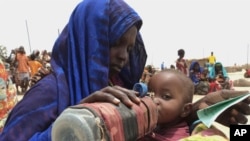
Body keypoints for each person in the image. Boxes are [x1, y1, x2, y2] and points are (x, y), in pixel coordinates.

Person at [1, 0, 250, 141]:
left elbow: (138, 122)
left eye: (129, 48)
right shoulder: (50, 93)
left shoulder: (117, 84)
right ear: (88, 38)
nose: (123, 55)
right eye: (113, 42)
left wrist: (197, 112)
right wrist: (74, 124)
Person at [138, 69, 195, 140]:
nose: (153, 100)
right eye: (150, 94)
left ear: (185, 110)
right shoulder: (154, 125)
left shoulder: (178, 138)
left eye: (166, 96)